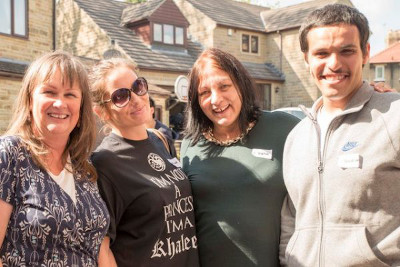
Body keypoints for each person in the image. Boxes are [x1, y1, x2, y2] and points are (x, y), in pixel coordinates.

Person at [280, 4, 400, 266]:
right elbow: (291, 218)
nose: (334, 64)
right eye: (321, 53)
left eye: (346, 51)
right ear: (307, 58)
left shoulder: (395, 117)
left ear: (366, 53)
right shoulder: (297, 137)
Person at [180, 48, 299, 267]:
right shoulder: (190, 144)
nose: (216, 99)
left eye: (224, 86)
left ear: (241, 85)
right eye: (204, 92)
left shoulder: (284, 128)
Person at [0, 51, 110, 266]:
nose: (60, 103)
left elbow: (99, 249)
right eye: (50, 92)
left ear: (81, 108)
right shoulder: (10, 155)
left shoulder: (84, 169)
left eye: (70, 95)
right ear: (30, 101)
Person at [89, 58, 199, 267]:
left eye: (138, 86)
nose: (136, 99)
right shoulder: (104, 163)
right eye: (121, 96)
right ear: (101, 112)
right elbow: (101, 248)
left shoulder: (160, 140)